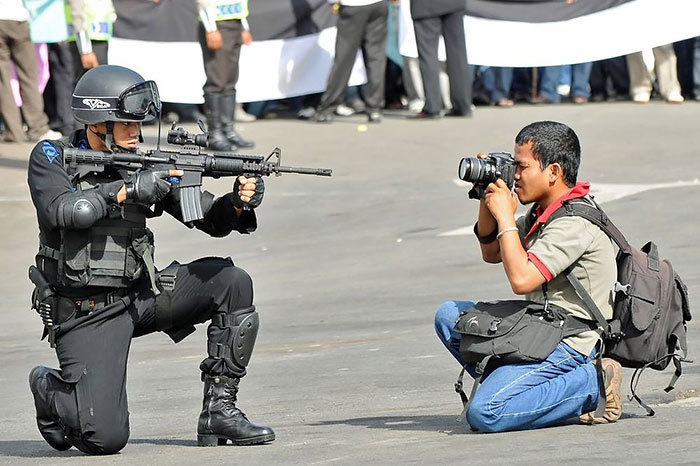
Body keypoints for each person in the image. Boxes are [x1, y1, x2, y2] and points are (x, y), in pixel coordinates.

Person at [27, 65, 274, 455]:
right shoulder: (52, 156)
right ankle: (50, 388)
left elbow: (209, 219)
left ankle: (219, 411)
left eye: (138, 124)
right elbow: (65, 211)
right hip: (86, 310)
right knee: (104, 438)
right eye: (125, 124)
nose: (136, 133)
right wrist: (126, 191)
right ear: (98, 121)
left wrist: (238, 203)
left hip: (142, 295)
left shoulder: (140, 161)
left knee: (232, 281)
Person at [434, 121, 622, 432]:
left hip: (571, 341)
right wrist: (487, 194)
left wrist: (506, 215)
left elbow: (522, 280)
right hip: (540, 328)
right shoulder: (543, 212)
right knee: (449, 315)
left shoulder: (573, 223)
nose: (515, 175)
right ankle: (516, 384)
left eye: (522, 167)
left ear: (553, 172)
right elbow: (492, 251)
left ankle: (593, 382)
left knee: (486, 413)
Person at [312, 0, 389, 124]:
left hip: (353, 5)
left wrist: (333, 2)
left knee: (344, 59)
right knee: (376, 58)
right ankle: (375, 108)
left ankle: (328, 107)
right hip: (378, 4)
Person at [197, 0, 255, 150]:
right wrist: (210, 28)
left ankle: (228, 131)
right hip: (217, 24)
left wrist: (244, 26)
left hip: (234, 22)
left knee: (230, 80)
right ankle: (215, 134)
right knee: (217, 81)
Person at [0, 0, 60, 143]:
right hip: (18, 19)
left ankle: (13, 131)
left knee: (3, 79)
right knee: (29, 76)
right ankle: (37, 128)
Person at [410, 0, 472, 118]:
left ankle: (432, 107)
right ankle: (463, 105)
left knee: (428, 54)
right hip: (453, 4)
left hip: (425, 5)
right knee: (457, 54)